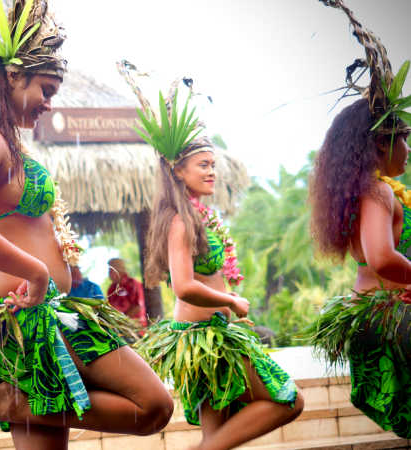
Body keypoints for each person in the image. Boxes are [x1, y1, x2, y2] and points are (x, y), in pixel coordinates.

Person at [0, 1, 172, 448]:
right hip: (25, 316)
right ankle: (8, 402)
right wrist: (37, 273)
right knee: (152, 405)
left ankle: (11, 402)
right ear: (13, 76)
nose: (49, 103)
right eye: (45, 88)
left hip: (46, 311)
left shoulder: (3, 140)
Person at [120, 62, 303, 450]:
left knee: (217, 435)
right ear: (177, 170)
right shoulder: (179, 223)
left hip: (212, 337)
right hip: (204, 338)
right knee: (288, 400)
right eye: (203, 166)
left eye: (213, 166)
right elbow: (185, 287)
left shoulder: (197, 215)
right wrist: (231, 300)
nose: (212, 173)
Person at [306, 0, 411, 438]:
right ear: (382, 144)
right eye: (403, 138)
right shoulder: (378, 190)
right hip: (388, 317)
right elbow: (382, 258)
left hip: (371, 315)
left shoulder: (359, 190)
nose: (407, 149)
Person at [106, 258, 148, 327]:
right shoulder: (111, 289)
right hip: (118, 329)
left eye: (111, 270)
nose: (109, 274)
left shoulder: (133, 284)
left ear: (118, 270)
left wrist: (122, 321)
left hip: (135, 329)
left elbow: (138, 307)